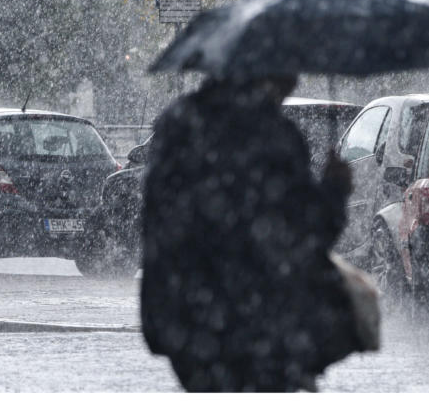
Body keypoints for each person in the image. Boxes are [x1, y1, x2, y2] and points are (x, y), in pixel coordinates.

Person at [140, 74, 366, 392]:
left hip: (183, 320)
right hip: (256, 329)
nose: (296, 79)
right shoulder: (274, 136)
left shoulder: (176, 123)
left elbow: (156, 222)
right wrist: (335, 188)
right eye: (288, 67)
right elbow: (307, 235)